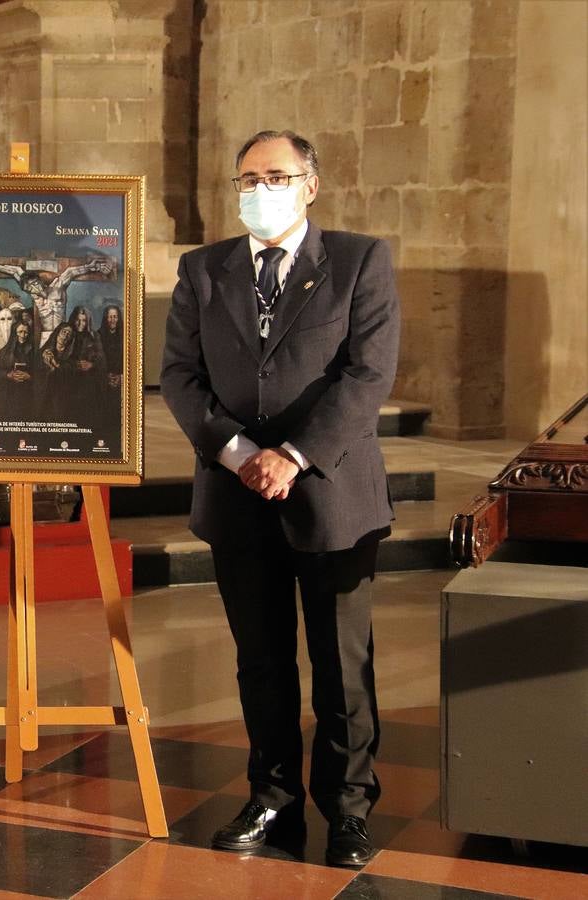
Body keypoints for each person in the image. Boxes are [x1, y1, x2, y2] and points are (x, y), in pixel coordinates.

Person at [160, 130, 399, 868]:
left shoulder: (359, 260)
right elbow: (179, 375)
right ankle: (271, 795)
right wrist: (238, 453)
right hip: (236, 496)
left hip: (332, 493)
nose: (260, 191)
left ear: (311, 184)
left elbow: (368, 374)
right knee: (260, 660)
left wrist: (294, 456)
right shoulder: (204, 270)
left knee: (340, 663)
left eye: (276, 176)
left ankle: (349, 808)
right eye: (247, 179)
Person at [0, 318, 38, 422]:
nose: (23, 335)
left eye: (26, 332)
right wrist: (8, 375)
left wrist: (30, 376)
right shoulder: (6, 351)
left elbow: (41, 371)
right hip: (9, 395)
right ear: (14, 333)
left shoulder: (34, 351)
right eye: (20, 331)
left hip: (27, 395)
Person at [99, 303, 124, 440]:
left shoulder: (125, 335)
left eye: (115, 316)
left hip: (121, 378)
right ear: (105, 318)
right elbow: (97, 360)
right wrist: (106, 376)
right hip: (104, 378)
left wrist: (120, 376)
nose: (112, 320)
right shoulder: (98, 335)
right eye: (110, 317)